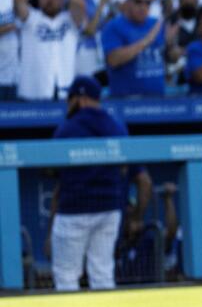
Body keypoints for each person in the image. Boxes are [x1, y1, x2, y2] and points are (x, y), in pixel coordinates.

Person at [48, 76, 150, 291]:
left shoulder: (67, 128)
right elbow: (142, 179)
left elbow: (51, 173)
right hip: (109, 209)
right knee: (102, 272)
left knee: (66, 275)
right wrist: (137, 216)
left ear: (80, 99)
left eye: (71, 99)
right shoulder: (116, 126)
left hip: (73, 210)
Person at [14, 0, 87, 100]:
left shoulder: (70, 20)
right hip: (33, 90)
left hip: (65, 89)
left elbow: (79, 2)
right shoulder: (31, 18)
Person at [101, 0, 174, 97]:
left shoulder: (156, 24)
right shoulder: (113, 26)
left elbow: (168, 55)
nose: (143, 6)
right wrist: (146, 41)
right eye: (138, 1)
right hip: (126, 103)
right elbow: (113, 60)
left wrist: (173, 47)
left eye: (148, 2)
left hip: (158, 101)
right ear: (127, 2)